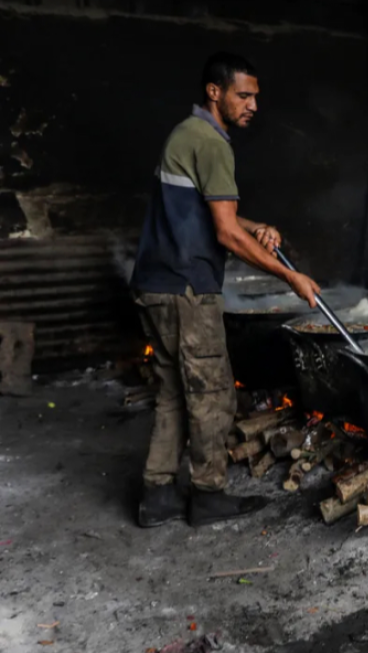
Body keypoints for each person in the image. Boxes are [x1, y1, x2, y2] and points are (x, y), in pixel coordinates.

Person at [129, 52, 321, 528]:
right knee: (213, 394)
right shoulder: (212, 143)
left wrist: (257, 227)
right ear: (214, 92)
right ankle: (209, 495)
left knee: (173, 391)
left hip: (155, 285)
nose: (254, 104)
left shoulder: (185, 134)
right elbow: (225, 235)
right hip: (188, 289)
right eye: (243, 94)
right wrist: (290, 276)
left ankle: (157, 496)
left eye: (256, 95)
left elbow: (219, 220)